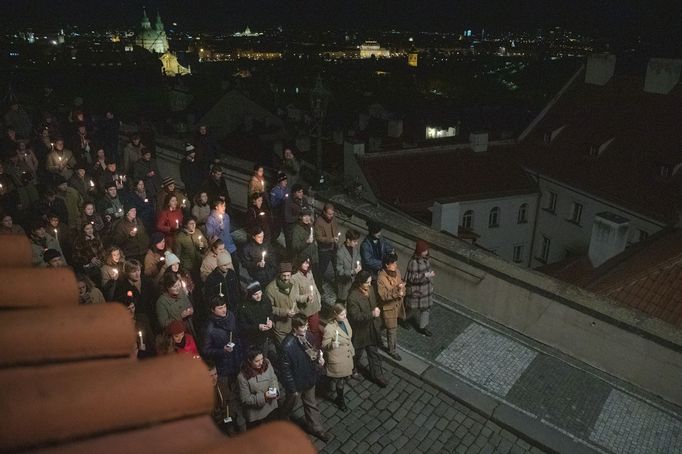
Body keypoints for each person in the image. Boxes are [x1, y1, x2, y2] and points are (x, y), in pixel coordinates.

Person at [278, 313, 331, 442]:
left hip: (308, 377)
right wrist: (292, 389)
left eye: (306, 325)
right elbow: (285, 371)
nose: (306, 328)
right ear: (295, 328)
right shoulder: (287, 346)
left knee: (311, 404)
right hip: (296, 383)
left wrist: (319, 358)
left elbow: (315, 350)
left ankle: (316, 428)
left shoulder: (309, 336)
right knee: (289, 406)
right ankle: (281, 422)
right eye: (302, 326)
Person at [201, 297, 243, 432]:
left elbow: (237, 335)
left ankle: (239, 418)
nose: (224, 309)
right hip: (223, 366)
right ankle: (229, 424)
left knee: (237, 391)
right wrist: (222, 350)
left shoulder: (230, 316)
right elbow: (206, 350)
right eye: (220, 308)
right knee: (225, 397)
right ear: (213, 310)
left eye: (224, 306)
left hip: (236, 360)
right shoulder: (209, 328)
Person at [347, 271, 388, 387]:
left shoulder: (370, 290)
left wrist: (377, 317)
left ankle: (378, 376)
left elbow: (374, 304)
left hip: (371, 329)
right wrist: (372, 314)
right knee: (357, 354)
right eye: (367, 283)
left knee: (373, 353)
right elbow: (355, 317)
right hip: (360, 332)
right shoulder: (353, 297)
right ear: (360, 283)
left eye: (370, 282)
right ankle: (351, 369)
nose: (369, 285)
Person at [322, 304, 355, 411]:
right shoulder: (329, 328)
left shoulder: (344, 320)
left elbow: (348, 337)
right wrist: (332, 344)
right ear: (335, 314)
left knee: (342, 378)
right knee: (340, 381)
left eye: (345, 313)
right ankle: (340, 400)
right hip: (338, 358)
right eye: (342, 314)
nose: (345, 316)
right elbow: (324, 345)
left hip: (346, 354)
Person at [237, 348, 281, 428]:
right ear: (249, 361)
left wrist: (274, 391)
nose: (261, 363)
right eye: (257, 361)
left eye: (261, 359)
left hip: (270, 406)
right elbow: (245, 399)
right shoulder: (242, 377)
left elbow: (273, 378)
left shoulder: (266, 362)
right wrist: (264, 396)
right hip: (255, 414)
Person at [113, 259, 158, 335]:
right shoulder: (122, 286)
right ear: (127, 273)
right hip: (137, 320)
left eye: (138, 270)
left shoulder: (148, 282)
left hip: (151, 316)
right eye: (133, 272)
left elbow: (155, 298)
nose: (137, 274)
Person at [377, 253, 406, 361]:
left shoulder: (397, 272)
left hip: (397, 305)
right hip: (388, 308)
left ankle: (375, 335)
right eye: (393, 263)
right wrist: (397, 292)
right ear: (386, 265)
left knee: (386, 326)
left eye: (396, 263)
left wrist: (403, 289)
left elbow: (401, 284)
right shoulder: (381, 278)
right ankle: (392, 351)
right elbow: (384, 296)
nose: (395, 265)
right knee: (392, 329)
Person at [404, 240, 435, 337]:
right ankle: (402, 318)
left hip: (426, 290)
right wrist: (425, 275)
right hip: (417, 291)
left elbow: (428, 271)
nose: (426, 252)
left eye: (426, 250)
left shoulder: (427, 259)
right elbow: (411, 278)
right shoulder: (413, 262)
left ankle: (423, 327)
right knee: (411, 309)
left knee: (426, 309)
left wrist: (430, 276)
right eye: (424, 250)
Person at [236, 281, 276, 359]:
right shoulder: (243, 307)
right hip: (253, 341)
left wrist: (270, 320)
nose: (259, 296)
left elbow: (270, 312)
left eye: (260, 292)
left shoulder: (265, 300)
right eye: (255, 294)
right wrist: (257, 327)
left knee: (266, 356)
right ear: (250, 295)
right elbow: (242, 327)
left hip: (266, 337)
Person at [290, 258, 322, 348]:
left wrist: (319, 299)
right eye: (305, 263)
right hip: (305, 310)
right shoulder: (294, 278)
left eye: (308, 263)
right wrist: (306, 297)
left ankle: (318, 349)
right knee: (307, 332)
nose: (307, 265)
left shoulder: (309, 273)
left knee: (316, 330)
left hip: (314, 307)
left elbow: (314, 287)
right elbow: (295, 296)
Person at [265, 262, 296, 343]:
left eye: (288, 275)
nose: (286, 278)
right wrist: (285, 312)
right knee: (284, 348)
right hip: (281, 326)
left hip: (294, 323)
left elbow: (296, 297)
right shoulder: (270, 289)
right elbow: (268, 308)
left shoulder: (293, 282)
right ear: (279, 274)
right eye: (284, 275)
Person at [204, 250, 240, 315]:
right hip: (222, 309)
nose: (227, 267)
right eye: (224, 265)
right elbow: (209, 296)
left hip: (234, 306)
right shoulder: (211, 278)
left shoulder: (231, 273)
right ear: (219, 265)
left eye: (228, 264)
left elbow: (237, 288)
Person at [314, 203, 340, 282]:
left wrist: (336, 238)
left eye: (332, 214)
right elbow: (319, 238)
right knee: (322, 269)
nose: (331, 216)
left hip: (334, 247)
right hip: (324, 250)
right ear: (324, 212)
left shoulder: (333, 218)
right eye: (329, 214)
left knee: (337, 268)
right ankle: (319, 286)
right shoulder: (318, 222)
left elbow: (335, 228)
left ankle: (337, 286)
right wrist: (331, 239)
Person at [335, 229, 362, 302]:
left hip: (353, 282)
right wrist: (352, 271)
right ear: (348, 240)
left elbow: (358, 258)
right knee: (341, 302)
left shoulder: (354, 249)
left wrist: (358, 265)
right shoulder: (340, 253)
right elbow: (339, 271)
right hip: (344, 284)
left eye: (357, 241)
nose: (356, 243)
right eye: (354, 241)